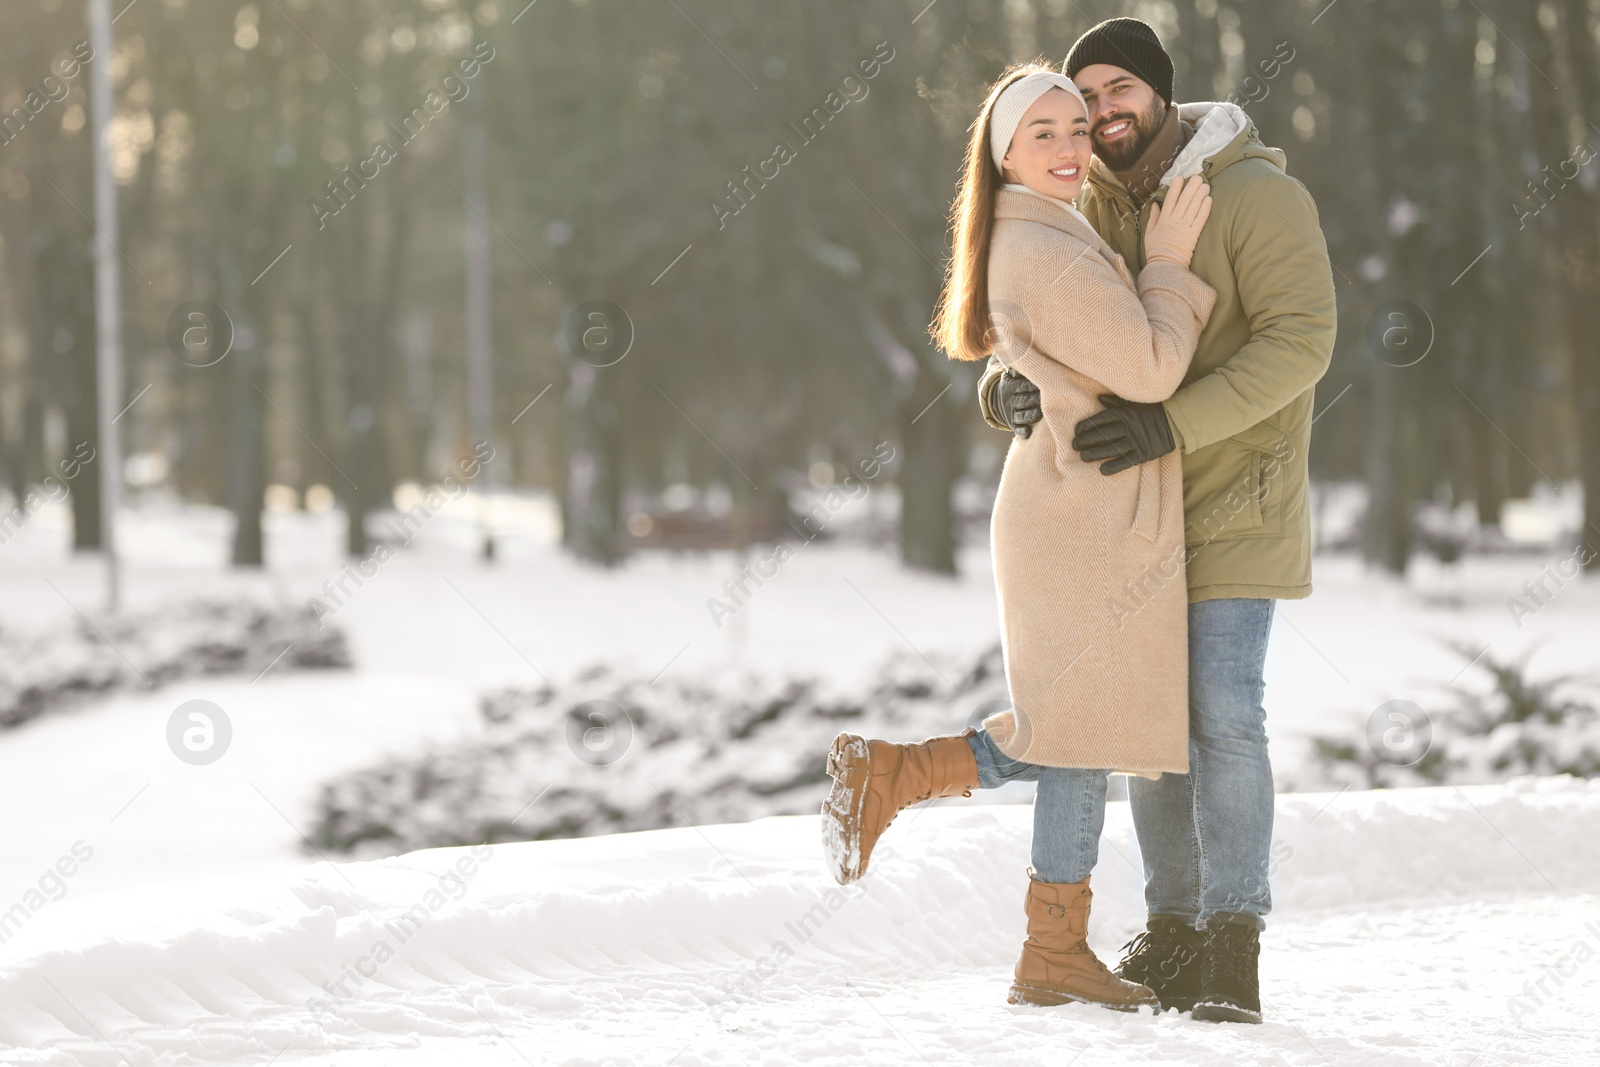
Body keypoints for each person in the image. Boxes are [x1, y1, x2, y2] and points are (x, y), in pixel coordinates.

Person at [820, 61, 1216, 1012]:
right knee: (1081, 731)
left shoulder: (1040, 232)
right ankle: (1050, 950)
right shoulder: (1045, 245)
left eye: (1078, 129)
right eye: (1043, 133)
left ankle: (903, 777)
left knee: (1079, 724)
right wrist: (1168, 262)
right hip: (1078, 519)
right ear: (1005, 152)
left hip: (1072, 511)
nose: (1071, 147)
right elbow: (1155, 366)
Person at [975, 18, 1338, 1025]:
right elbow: (1054, 330)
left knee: (1223, 712)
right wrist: (1006, 389)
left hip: (1232, 495)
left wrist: (1170, 420)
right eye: (1081, 97)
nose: (1098, 112)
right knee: (1147, 727)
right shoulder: (1086, 201)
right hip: (1128, 510)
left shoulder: (1256, 194)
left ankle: (1232, 938)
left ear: (1164, 94)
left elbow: (1301, 341)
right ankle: (1170, 928)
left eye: (1118, 88)